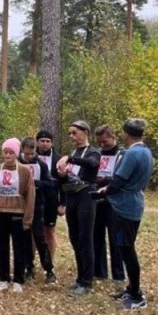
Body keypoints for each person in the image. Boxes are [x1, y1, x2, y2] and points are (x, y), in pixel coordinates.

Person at [97, 118, 155, 310]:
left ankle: (137, 295)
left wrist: (103, 191)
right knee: (125, 247)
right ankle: (130, 288)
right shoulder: (146, 151)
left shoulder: (132, 153)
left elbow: (119, 181)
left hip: (125, 206)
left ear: (125, 134)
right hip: (134, 201)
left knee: (127, 250)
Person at [55, 120, 101, 297]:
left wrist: (71, 159)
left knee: (85, 238)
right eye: (69, 134)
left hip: (86, 198)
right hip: (72, 197)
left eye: (74, 133)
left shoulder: (93, 152)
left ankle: (87, 280)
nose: (71, 136)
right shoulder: (74, 152)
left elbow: (92, 164)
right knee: (74, 237)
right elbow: (68, 178)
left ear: (85, 132)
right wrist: (62, 174)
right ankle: (80, 277)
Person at [0, 138, 35, 293]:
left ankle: (19, 279)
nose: (7, 155)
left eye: (11, 152)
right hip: (0, 212)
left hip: (18, 213)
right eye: (5, 152)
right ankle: (4, 278)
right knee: (1, 246)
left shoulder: (24, 171)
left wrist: (28, 218)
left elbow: (30, 195)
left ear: (16, 153)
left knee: (19, 247)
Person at [20, 137, 57, 284]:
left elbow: (50, 184)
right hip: (20, 205)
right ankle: (28, 267)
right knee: (24, 237)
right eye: (27, 153)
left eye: (32, 153)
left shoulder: (41, 165)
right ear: (22, 150)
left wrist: (34, 183)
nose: (29, 156)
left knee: (39, 237)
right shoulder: (16, 162)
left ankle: (49, 269)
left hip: (37, 205)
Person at [93, 124, 125, 283]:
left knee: (115, 238)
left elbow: (123, 179)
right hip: (98, 199)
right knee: (97, 236)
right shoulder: (97, 154)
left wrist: (105, 179)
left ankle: (118, 274)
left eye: (105, 141)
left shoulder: (123, 154)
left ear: (113, 137)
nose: (102, 145)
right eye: (99, 142)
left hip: (115, 201)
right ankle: (99, 271)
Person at [35, 130, 62, 259]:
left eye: (47, 141)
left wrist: (63, 203)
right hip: (33, 199)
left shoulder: (58, 159)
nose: (45, 144)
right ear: (37, 142)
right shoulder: (30, 157)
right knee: (32, 232)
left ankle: (49, 262)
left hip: (51, 200)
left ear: (51, 143)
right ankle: (30, 263)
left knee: (49, 231)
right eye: (42, 141)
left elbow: (64, 182)